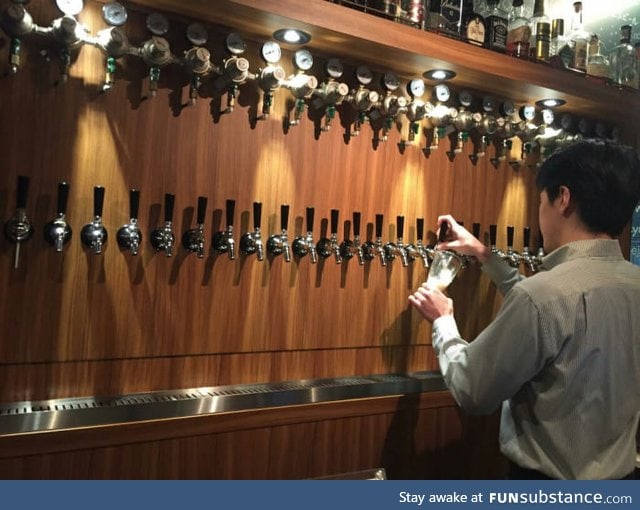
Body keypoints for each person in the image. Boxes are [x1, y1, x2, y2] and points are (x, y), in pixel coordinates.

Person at [409, 139, 640, 480]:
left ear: (563, 198)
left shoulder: (544, 296)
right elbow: (557, 318)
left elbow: (473, 390)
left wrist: (444, 321)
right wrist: (484, 255)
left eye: (541, 200)